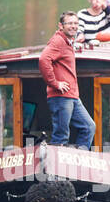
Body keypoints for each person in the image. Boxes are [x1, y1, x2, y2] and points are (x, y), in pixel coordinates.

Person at [39, 12, 95, 149]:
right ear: (61, 26)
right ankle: (55, 168)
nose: (73, 26)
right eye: (69, 23)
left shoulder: (68, 42)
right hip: (60, 97)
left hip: (72, 96)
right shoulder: (58, 41)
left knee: (88, 127)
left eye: (76, 23)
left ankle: (80, 159)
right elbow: (43, 59)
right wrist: (54, 83)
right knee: (61, 136)